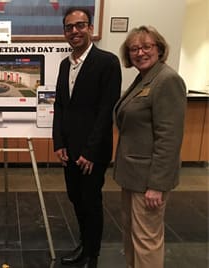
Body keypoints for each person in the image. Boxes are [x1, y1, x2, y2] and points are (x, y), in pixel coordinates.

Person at [52, 7, 122, 268]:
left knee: (91, 201)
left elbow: (106, 111)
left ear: (90, 28)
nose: (75, 31)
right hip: (69, 149)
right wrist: (58, 142)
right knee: (75, 197)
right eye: (69, 27)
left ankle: (92, 254)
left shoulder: (107, 62)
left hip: (93, 152)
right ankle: (85, 243)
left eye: (80, 25)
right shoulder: (64, 64)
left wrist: (91, 152)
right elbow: (59, 105)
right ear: (65, 32)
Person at [113, 26, 186, 268]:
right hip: (133, 176)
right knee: (132, 235)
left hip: (149, 181)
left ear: (160, 49)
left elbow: (169, 138)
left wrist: (157, 185)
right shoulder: (144, 78)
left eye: (147, 47)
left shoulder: (167, 80)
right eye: (134, 48)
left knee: (147, 240)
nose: (140, 52)